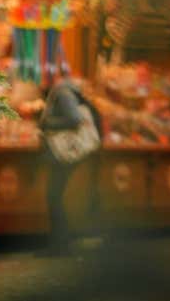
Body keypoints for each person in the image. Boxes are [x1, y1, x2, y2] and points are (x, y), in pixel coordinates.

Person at [38, 77, 101, 255]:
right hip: (64, 153)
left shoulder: (63, 93)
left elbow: (74, 119)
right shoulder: (65, 91)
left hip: (63, 154)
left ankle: (60, 244)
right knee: (55, 196)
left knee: (54, 197)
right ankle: (61, 242)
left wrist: (46, 124)